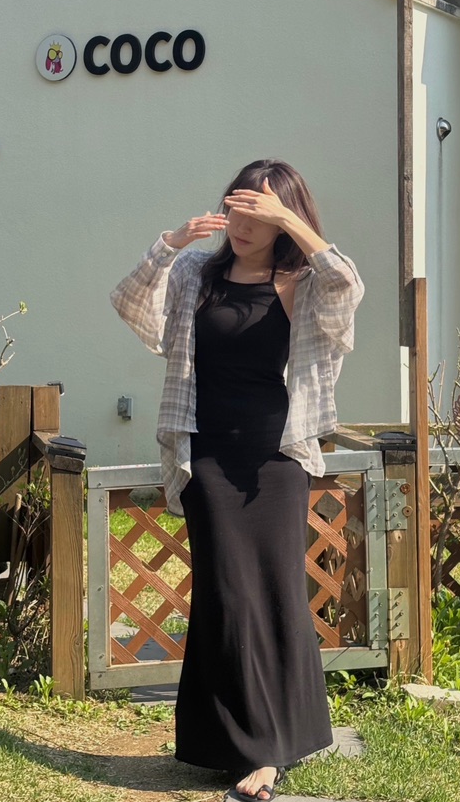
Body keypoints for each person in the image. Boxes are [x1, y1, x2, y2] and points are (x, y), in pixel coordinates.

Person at [110, 159, 364, 802]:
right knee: (226, 594)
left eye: (259, 212)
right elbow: (130, 303)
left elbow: (349, 286)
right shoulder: (197, 274)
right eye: (236, 208)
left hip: (277, 458)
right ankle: (225, 740)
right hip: (207, 456)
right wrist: (170, 244)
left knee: (276, 593)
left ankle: (270, 749)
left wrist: (291, 223)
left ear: (283, 219)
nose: (242, 223)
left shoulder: (303, 283)